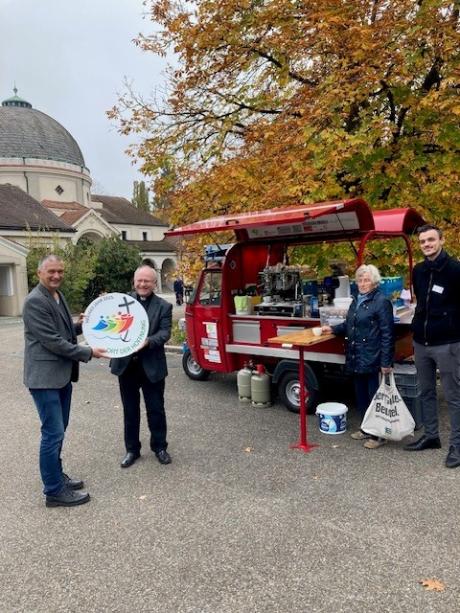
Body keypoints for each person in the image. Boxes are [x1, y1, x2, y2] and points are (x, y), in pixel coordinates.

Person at [23, 254, 107, 507]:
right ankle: (53, 491)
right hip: (44, 378)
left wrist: (81, 325)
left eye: (60, 271)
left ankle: (56, 477)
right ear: (40, 273)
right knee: (52, 433)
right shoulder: (35, 301)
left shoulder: (56, 295)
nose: (57, 275)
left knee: (58, 432)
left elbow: (62, 330)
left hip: (60, 377)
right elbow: (52, 341)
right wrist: (88, 351)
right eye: (51, 271)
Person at [404, 224, 460, 468]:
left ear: (441, 241)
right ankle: (431, 436)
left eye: (430, 240)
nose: (426, 244)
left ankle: (457, 446)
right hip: (422, 343)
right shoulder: (419, 271)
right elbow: (421, 304)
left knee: (453, 396)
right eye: (423, 241)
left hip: (448, 344)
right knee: (426, 391)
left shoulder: (455, 270)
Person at [322, 264, 394, 449]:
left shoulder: (381, 301)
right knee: (360, 394)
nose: (362, 283)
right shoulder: (357, 300)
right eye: (360, 280)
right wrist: (332, 328)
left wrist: (386, 362)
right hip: (356, 355)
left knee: (374, 398)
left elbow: (387, 334)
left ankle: (378, 435)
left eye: (367, 280)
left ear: (374, 282)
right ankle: (365, 428)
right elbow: (349, 324)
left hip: (372, 356)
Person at [110, 265, 173, 468]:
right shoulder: (121, 303)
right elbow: (112, 326)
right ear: (134, 281)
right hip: (126, 366)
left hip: (152, 365)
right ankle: (132, 450)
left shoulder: (164, 306)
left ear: (154, 283)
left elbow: (165, 333)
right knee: (130, 410)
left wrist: (148, 341)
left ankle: (160, 447)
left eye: (147, 281)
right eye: (140, 280)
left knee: (156, 409)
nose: (143, 284)